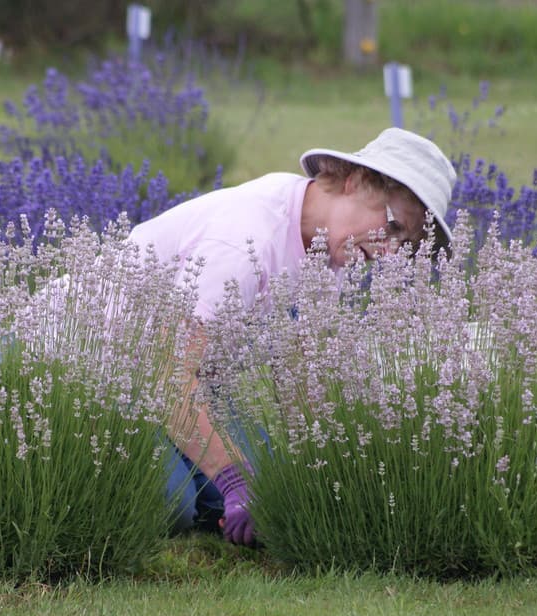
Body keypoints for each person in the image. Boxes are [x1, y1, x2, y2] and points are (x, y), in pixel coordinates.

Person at [126, 127, 457, 546]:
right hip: (89, 373)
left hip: (171, 384)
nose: (390, 253)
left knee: (273, 484)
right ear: (355, 180)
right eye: (393, 226)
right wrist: (233, 479)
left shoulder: (327, 252)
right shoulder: (248, 239)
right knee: (173, 501)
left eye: (406, 246)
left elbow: (299, 381)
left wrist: (330, 476)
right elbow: (168, 376)